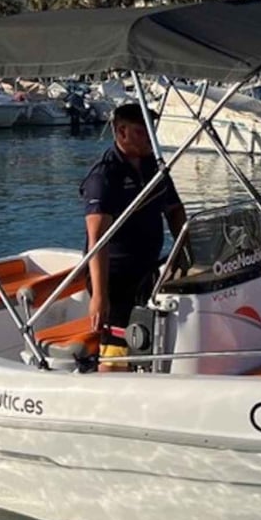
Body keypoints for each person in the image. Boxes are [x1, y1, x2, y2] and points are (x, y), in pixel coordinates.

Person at [80, 103, 186, 342]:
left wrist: (187, 249)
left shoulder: (155, 168)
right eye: (142, 131)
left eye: (151, 129)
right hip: (114, 276)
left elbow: (175, 209)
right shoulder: (104, 177)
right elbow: (97, 238)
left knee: (147, 337)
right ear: (121, 132)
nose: (150, 137)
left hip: (147, 268)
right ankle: (109, 373)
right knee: (118, 344)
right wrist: (99, 295)